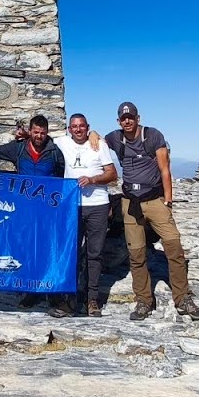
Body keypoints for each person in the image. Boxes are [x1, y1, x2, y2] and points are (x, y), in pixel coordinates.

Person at [104, 102, 199, 321]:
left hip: (154, 200)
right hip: (130, 203)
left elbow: (164, 169)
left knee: (174, 247)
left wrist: (168, 201)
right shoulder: (115, 138)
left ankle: (183, 298)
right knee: (136, 254)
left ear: (138, 118)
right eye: (123, 118)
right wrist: (93, 135)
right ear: (118, 121)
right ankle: (144, 301)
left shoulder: (152, 136)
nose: (127, 121)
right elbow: (96, 142)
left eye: (131, 117)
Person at [0, 114, 68, 312]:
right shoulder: (18, 149)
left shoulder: (55, 152)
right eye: (35, 132)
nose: (39, 136)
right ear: (30, 131)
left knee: (48, 250)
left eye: (42, 133)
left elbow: (62, 177)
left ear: (47, 133)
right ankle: (30, 291)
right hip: (24, 211)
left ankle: (53, 293)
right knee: (26, 249)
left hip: (47, 212)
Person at [55, 113, 118, 317]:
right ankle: (70, 299)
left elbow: (112, 174)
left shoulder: (99, 144)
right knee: (71, 252)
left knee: (94, 254)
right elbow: (39, 139)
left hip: (97, 205)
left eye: (82, 126)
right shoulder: (62, 143)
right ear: (69, 129)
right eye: (74, 126)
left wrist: (92, 180)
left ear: (87, 127)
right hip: (72, 206)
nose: (78, 129)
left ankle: (92, 299)